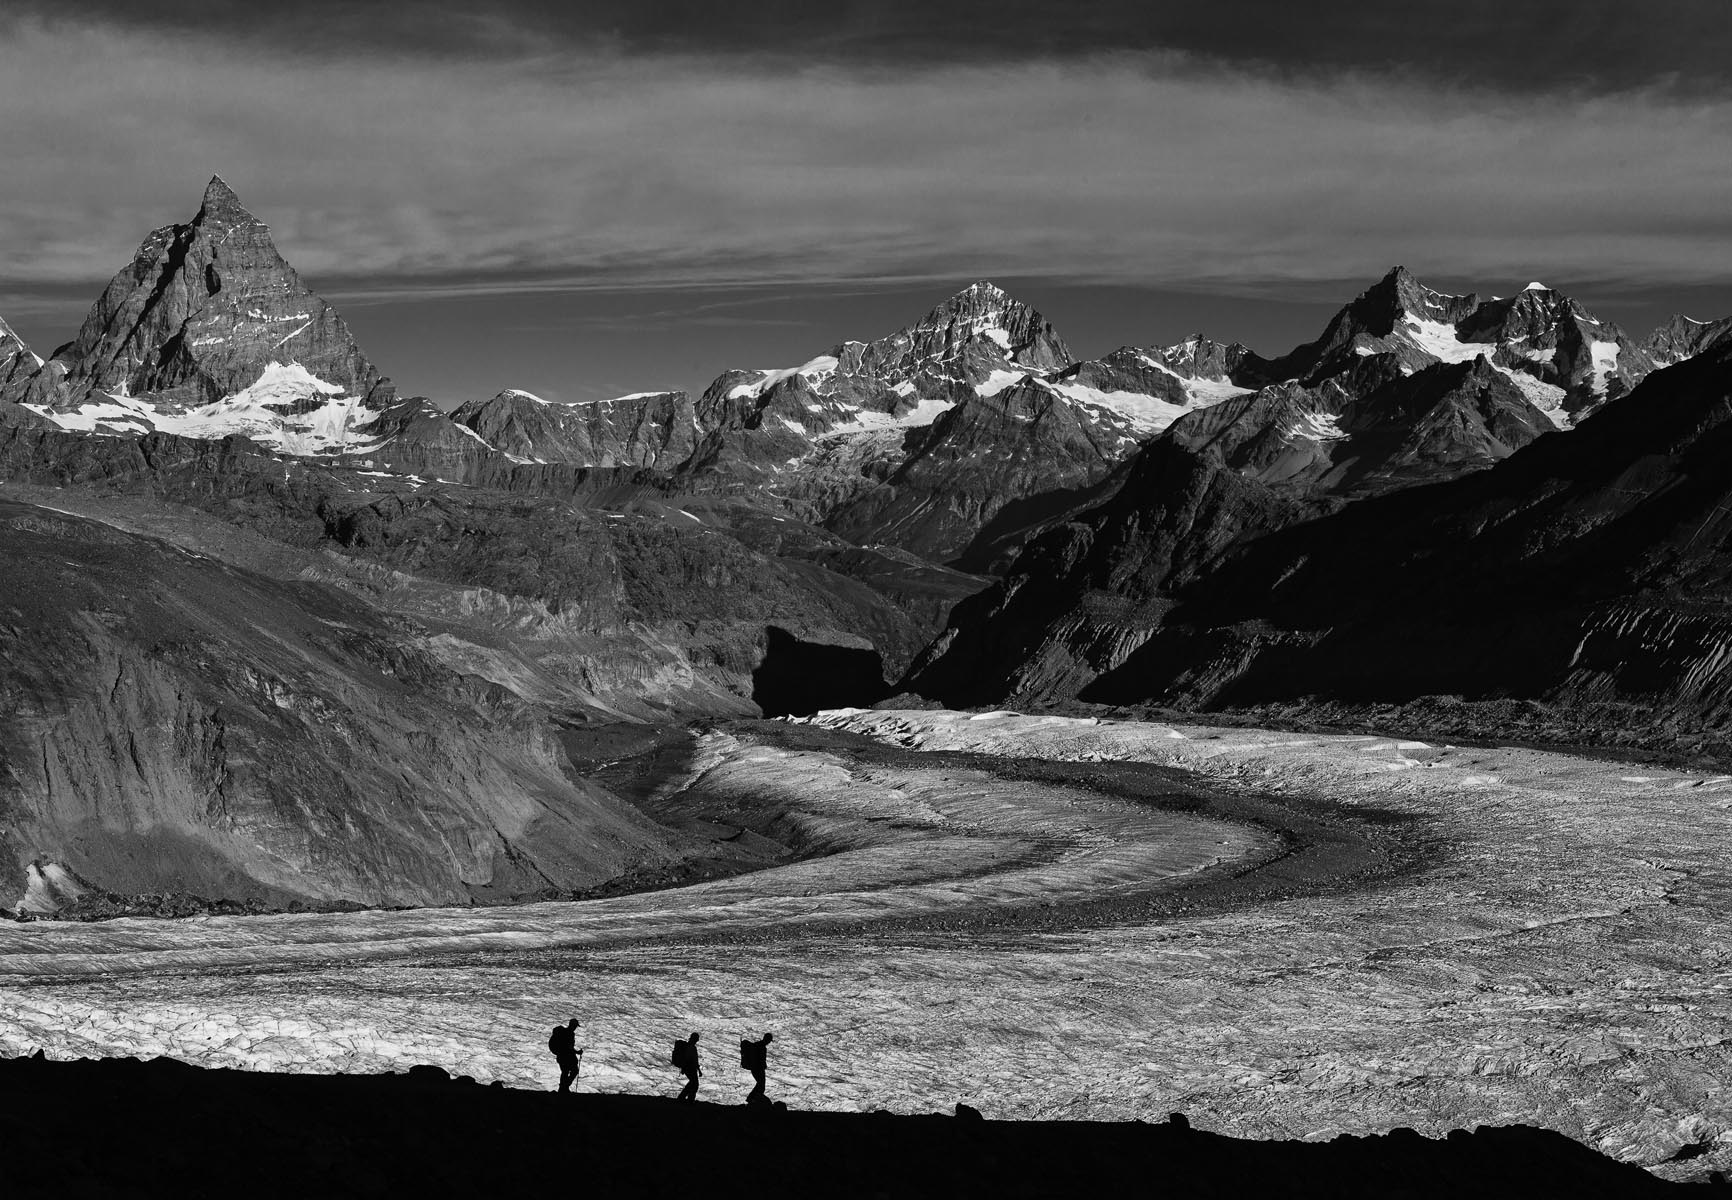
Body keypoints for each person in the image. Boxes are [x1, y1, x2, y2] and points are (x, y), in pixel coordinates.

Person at [548, 1018, 582, 1093]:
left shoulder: (567, 1032)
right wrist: (577, 1052)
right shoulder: (569, 1034)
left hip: (561, 1056)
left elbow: (569, 1047)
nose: (576, 1028)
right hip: (565, 1056)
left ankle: (563, 1088)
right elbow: (568, 1047)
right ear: (572, 1025)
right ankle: (564, 1088)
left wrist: (575, 1052)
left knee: (565, 1072)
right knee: (571, 1071)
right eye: (575, 1026)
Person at [741, 1032, 773, 1104]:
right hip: (757, 1068)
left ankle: (752, 1099)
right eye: (769, 1040)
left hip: (756, 1068)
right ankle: (751, 1099)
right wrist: (761, 1065)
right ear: (766, 1039)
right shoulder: (760, 1046)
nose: (769, 1042)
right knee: (761, 1085)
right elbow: (758, 1059)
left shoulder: (758, 1045)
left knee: (760, 1085)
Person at [675, 1031, 701, 1102]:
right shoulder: (690, 1047)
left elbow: (695, 1060)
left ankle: (685, 1098)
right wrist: (684, 1068)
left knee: (693, 1083)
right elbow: (688, 1059)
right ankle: (687, 1099)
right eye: (697, 1038)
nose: (697, 1040)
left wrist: (699, 1070)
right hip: (689, 1068)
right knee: (694, 1084)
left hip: (690, 1068)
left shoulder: (692, 1047)